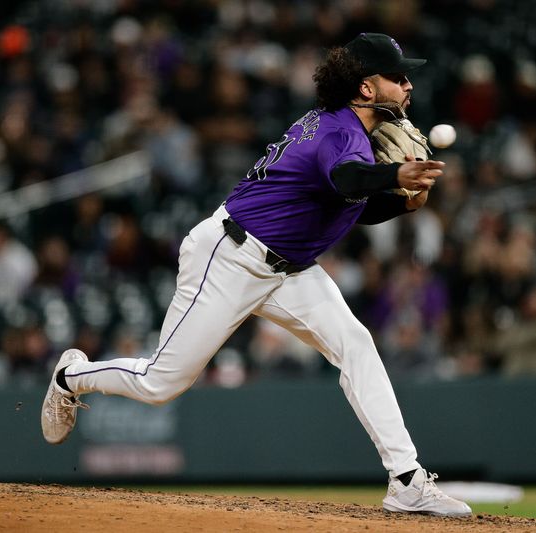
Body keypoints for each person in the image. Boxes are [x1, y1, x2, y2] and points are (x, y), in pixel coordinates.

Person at [41, 33, 471, 517]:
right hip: (229, 257)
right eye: (398, 76)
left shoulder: (346, 130)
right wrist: (395, 178)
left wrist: (401, 202)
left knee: (356, 342)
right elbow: (349, 181)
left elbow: (353, 205)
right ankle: (71, 376)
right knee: (162, 383)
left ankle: (407, 479)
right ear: (367, 89)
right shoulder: (339, 133)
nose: (408, 84)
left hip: (290, 269)